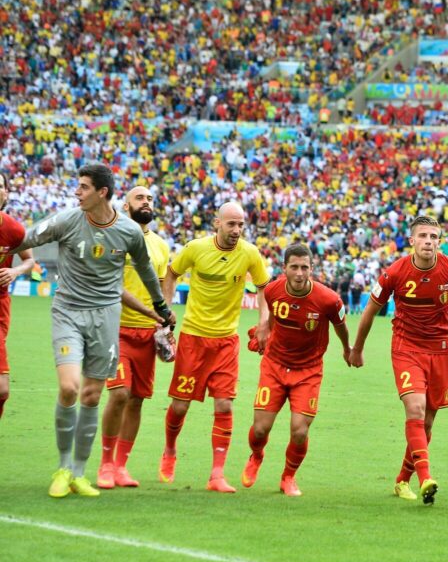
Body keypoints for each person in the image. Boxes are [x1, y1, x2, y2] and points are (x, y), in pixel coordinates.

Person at [16, 164, 173, 497]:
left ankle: (79, 473)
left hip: (106, 318)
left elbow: (146, 269)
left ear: (102, 192)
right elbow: (23, 238)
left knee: (91, 395)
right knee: (70, 388)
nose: (77, 192)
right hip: (68, 313)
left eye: (84, 187)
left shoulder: (128, 231)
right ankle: (61, 467)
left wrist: (160, 306)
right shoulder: (67, 220)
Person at [350, 216, 448, 505]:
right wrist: (357, 348)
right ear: (412, 241)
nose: (428, 241)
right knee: (415, 409)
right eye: (423, 236)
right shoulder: (395, 272)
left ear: (439, 242)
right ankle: (425, 477)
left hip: (440, 349)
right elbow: (369, 311)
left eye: (433, 236)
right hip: (406, 348)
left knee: (427, 422)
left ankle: (402, 480)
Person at [160, 202, 270, 493]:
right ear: (216, 223)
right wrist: (165, 309)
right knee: (180, 406)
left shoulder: (250, 254)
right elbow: (171, 273)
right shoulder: (196, 248)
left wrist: (263, 322)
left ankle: (217, 475)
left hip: (226, 341)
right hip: (193, 339)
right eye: (231, 224)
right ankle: (170, 449)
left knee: (224, 404)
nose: (236, 230)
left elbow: (263, 288)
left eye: (241, 225)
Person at [242, 244, 351, 497]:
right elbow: (271, 317)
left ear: (312, 269)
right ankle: (256, 455)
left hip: (308, 370)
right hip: (275, 365)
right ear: (284, 269)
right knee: (260, 430)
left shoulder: (329, 300)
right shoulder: (272, 290)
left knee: (300, 430)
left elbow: (341, 326)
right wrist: (264, 332)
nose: (300, 273)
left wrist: (348, 349)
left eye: (305, 267)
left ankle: (288, 477)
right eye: (294, 267)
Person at [97, 186, 171, 489]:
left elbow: (163, 288)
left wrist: (165, 323)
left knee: (137, 400)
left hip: (148, 333)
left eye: (150, 199)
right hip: (116, 329)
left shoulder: (162, 246)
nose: (147, 203)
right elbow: (114, 286)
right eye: (140, 198)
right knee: (119, 394)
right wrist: (154, 313)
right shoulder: (116, 238)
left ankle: (121, 466)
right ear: (126, 206)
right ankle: (105, 464)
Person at [0, 172, 35, 423]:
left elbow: (31, 260)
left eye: (0, 185)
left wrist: (16, 270)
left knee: (2, 391)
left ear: (6, 193)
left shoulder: (13, 229)